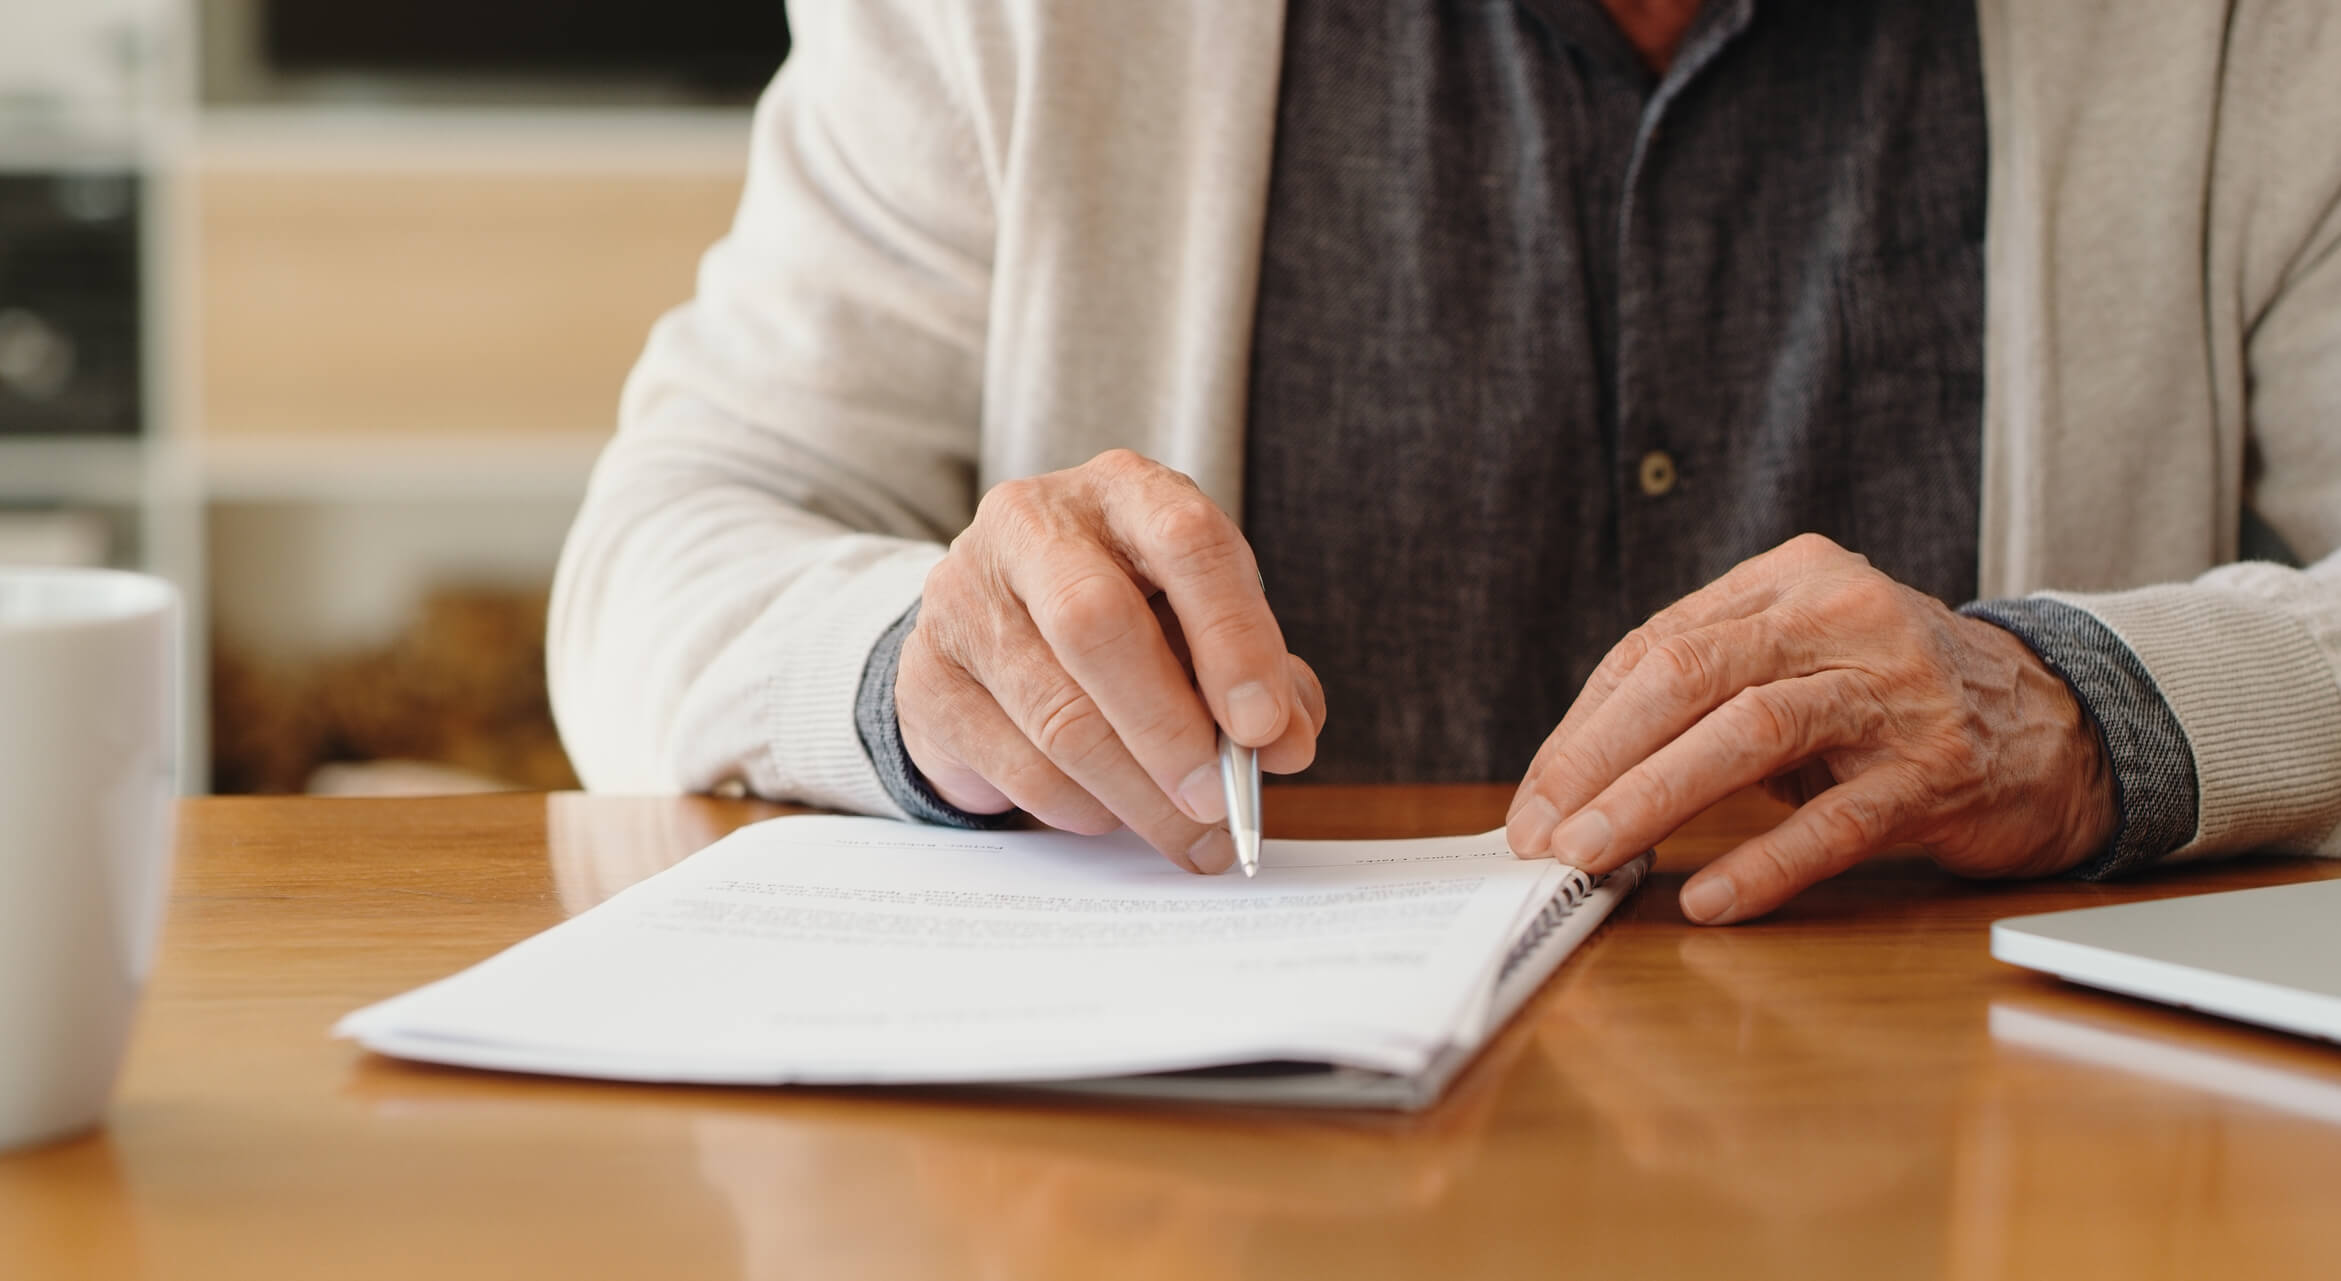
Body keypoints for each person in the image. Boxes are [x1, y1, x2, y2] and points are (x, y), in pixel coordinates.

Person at [548, 0, 2341, 924]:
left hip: (2011, 1177)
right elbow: (667, 548)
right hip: (1166, 1189)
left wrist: (2082, 716)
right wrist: (926, 671)